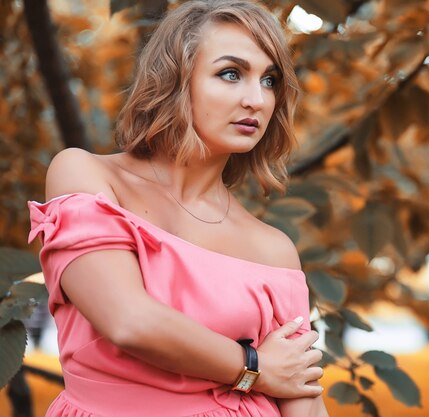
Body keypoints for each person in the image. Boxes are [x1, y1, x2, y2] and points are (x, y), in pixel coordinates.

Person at [28, 1, 329, 416]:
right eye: (231, 73)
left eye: (270, 80)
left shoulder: (273, 248)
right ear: (175, 79)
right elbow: (128, 321)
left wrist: (276, 377)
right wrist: (253, 368)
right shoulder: (88, 175)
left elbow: (302, 397)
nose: (256, 99)